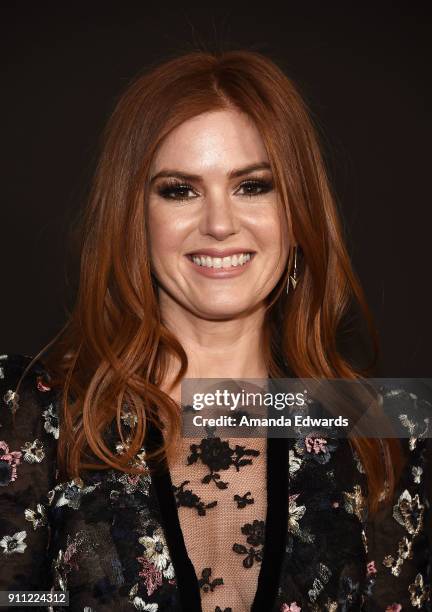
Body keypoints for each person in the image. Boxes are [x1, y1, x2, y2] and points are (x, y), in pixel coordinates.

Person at [0, 49, 431, 612]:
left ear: (297, 213)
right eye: (180, 190)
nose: (221, 224)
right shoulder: (29, 413)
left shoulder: (391, 433)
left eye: (253, 186)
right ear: (134, 217)